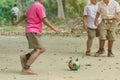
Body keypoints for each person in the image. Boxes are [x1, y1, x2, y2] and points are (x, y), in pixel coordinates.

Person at [13, 0, 61, 74]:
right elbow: (44, 19)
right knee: (39, 49)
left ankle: (25, 57)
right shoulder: (39, 6)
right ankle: (26, 68)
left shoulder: (32, 5)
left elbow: (25, 15)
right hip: (32, 31)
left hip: (30, 30)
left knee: (41, 49)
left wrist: (17, 22)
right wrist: (54, 28)